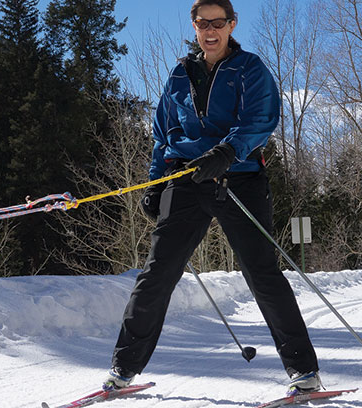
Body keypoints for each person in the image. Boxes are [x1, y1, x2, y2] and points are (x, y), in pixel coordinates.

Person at [113, 0, 320, 396]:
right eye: (202, 22)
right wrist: (156, 183)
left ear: (231, 25)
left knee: (261, 273)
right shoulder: (179, 73)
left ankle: (304, 371)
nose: (210, 30)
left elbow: (261, 118)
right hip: (187, 179)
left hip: (238, 179)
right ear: (194, 26)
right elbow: (163, 132)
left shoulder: (249, 68)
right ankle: (123, 369)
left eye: (218, 22)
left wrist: (228, 151)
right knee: (156, 275)